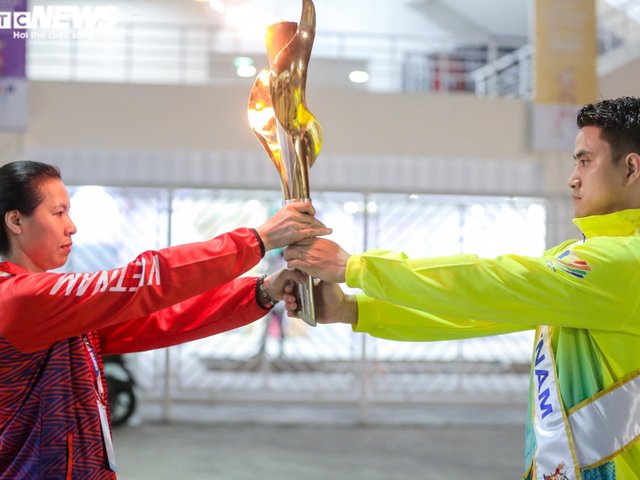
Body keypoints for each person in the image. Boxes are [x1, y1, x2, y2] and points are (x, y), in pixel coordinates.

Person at [284, 96, 640, 480]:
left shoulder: (626, 262)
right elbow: (478, 311)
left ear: (631, 168)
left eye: (585, 161)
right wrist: (353, 310)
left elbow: (489, 282)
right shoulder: (580, 254)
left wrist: (354, 267)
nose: (572, 178)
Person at [0, 160, 331, 479]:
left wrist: (262, 291)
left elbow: (159, 320)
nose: (71, 226)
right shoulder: (18, 299)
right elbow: (147, 280)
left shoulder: (49, 308)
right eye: (58, 213)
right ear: (16, 221)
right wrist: (258, 240)